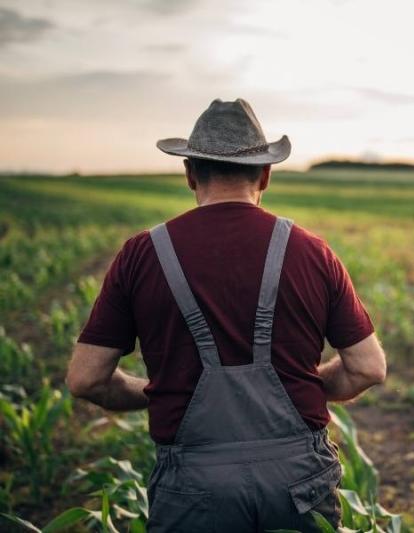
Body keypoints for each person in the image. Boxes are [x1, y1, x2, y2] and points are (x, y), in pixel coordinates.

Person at [65, 98, 387, 532]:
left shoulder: (143, 254)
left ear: (190, 173)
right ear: (266, 175)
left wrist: (158, 392)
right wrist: (305, 385)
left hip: (194, 485)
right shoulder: (312, 251)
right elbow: (367, 368)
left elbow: (86, 379)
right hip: (298, 482)